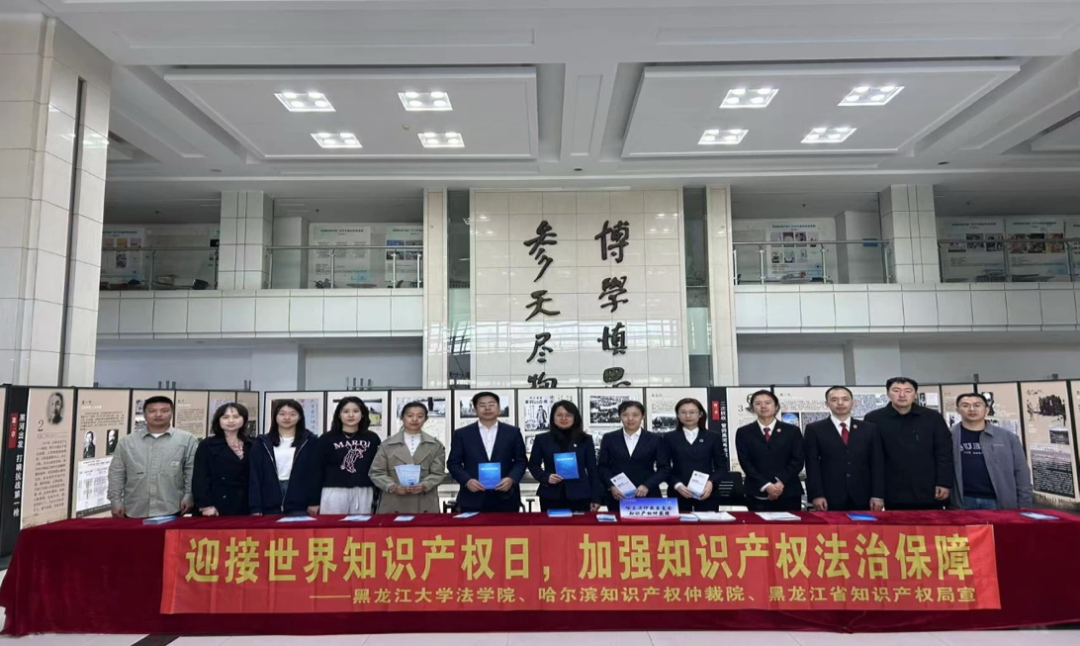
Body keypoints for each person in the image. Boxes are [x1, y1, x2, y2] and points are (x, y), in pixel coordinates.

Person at [865, 377, 954, 510]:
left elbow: (943, 452)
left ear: (915, 394)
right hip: (892, 488)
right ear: (888, 393)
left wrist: (944, 482)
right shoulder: (874, 418)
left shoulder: (932, 417)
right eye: (896, 390)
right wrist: (876, 493)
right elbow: (872, 457)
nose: (902, 395)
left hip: (929, 487)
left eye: (908, 391)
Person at [107, 396, 199, 518]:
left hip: (173, 507)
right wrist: (115, 500)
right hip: (135, 509)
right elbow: (117, 473)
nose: (158, 415)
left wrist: (189, 495)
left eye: (164, 410)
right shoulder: (127, 442)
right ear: (144, 414)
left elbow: (191, 470)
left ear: (172, 413)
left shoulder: (187, 440)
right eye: (152, 411)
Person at [803, 386, 885, 512]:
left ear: (853, 403)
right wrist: (817, 494)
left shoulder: (869, 429)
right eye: (834, 400)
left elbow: (877, 463)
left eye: (845, 399)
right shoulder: (815, 429)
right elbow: (812, 464)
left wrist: (878, 495)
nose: (840, 403)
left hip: (863, 495)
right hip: (829, 496)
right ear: (827, 404)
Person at [949, 393, 1032, 510]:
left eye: (977, 405)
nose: (971, 409)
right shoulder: (948, 436)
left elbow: (1021, 470)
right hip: (963, 500)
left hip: (999, 501)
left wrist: (1024, 502)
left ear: (987, 410)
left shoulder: (1007, 437)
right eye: (965, 405)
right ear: (958, 410)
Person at [447, 392, 527, 513]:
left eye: (491, 404)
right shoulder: (462, 434)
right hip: (472, 497)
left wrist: (511, 479)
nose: (487, 408)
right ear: (475, 409)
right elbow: (453, 463)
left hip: (506, 497)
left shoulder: (512, 432)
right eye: (482, 405)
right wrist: (467, 481)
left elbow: (521, 461)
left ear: (498, 408)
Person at [369, 402, 447, 514]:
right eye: (410, 415)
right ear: (402, 418)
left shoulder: (435, 445)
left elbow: (438, 473)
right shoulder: (387, 445)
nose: (414, 419)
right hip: (394, 501)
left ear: (426, 419)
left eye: (420, 416)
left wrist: (424, 485)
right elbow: (376, 472)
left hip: (424, 502)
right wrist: (392, 486)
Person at [310, 396, 382, 515]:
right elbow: (316, 471)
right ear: (339, 415)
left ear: (363, 414)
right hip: (334, 491)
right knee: (333, 525)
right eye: (346, 411)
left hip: (363, 490)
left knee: (362, 526)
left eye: (356, 411)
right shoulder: (326, 439)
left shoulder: (372, 438)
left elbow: (377, 467)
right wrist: (313, 501)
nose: (351, 415)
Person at [735, 390, 805, 512]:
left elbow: (798, 460)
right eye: (758, 403)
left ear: (776, 407)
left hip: (788, 491)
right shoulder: (744, 432)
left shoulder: (792, 431)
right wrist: (766, 485)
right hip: (757, 492)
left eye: (768, 403)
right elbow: (745, 462)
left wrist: (780, 482)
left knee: (791, 524)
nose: (763, 406)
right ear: (752, 408)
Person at [527, 401, 603, 512]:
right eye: (559, 415)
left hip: (580, 495)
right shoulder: (542, 439)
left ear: (575, 418)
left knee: (580, 524)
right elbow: (533, 465)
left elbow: (593, 470)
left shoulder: (585, 440)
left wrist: (596, 497)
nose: (564, 418)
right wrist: (546, 477)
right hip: (551, 495)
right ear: (553, 417)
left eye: (568, 415)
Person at [597, 400, 671, 511]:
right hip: (618, 496)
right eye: (625, 415)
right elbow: (602, 466)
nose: (630, 419)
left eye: (635, 415)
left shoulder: (655, 439)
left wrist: (647, 485)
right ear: (620, 417)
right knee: (618, 523)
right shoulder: (609, 438)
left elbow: (664, 468)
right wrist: (611, 486)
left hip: (647, 495)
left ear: (643, 416)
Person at [249, 400, 319, 515]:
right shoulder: (261, 443)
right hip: (269, 501)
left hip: (300, 501)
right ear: (275, 416)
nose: (287, 418)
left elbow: (316, 473)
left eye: (292, 414)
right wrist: (255, 507)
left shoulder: (311, 441)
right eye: (282, 414)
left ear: (300, 417)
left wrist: (314, 501)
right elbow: (255, 476)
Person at [665, 398, 729, 513]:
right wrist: (677, 485)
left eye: (692, 412)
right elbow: (664, 467)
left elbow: (722, 467)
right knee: (679, 524)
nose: (688, 416)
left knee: (707, 524)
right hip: (679, 492)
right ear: (678, 415)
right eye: (683, 412)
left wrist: (711, 483)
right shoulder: (669, 438)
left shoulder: (713, 437)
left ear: (700, 414)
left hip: (707, 491)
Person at [192, 402, 252, 516]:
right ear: (218, 420)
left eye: (236, 417)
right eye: (225, 417)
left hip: (246, 502)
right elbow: (200, 477)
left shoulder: (252, 444)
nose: (231, 421)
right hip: (216, 504)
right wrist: (206, 505)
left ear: (244, 419)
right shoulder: (207, 444)